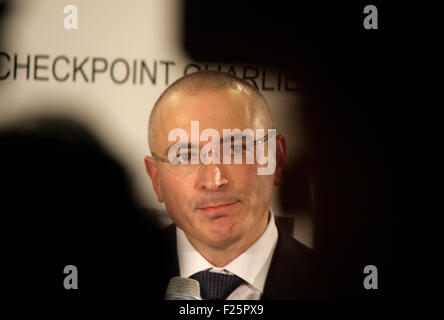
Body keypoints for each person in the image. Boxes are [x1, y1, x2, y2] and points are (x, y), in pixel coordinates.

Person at [144, 71, 321, 300]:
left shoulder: (336, 287)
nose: (214, 181)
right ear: (156, 179)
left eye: (236, 150)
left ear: (275, 160)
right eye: (186, 156)